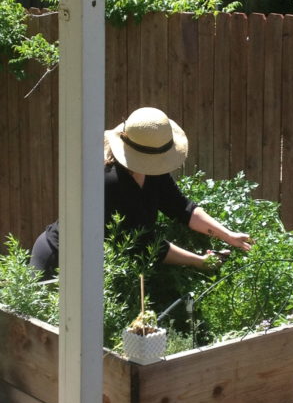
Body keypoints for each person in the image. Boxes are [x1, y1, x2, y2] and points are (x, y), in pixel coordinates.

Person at [29, 107, 252, 279]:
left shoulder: (152, 172)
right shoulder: (110, 181)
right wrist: (199, 262)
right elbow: (145, 243)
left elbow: (182, 208)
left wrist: (228, 235)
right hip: (61, 262)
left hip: (97, 266)